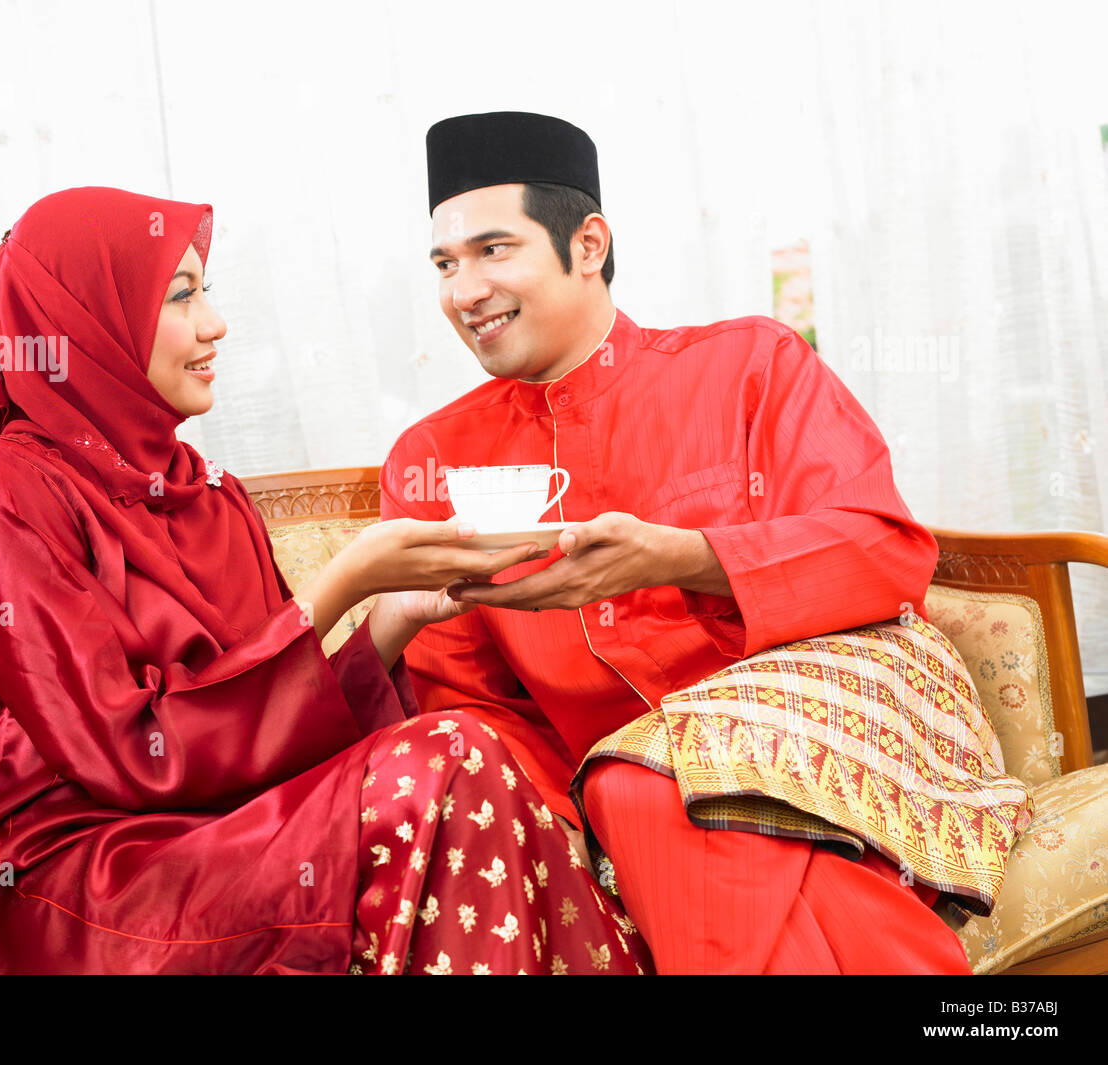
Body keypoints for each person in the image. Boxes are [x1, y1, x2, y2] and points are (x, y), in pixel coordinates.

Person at [0, 185, 651, 975]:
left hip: (227, 831)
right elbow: (127, 749)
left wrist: (396, 614)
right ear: (90, 319)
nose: (214, 324)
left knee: (471, 752)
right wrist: (344, 580)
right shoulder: (9, 490)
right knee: (449, 757)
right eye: (180, 295)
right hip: (76, 875)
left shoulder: (209, 491)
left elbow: (270, 733)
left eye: (206, 292)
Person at [377, 112, 1014, 974]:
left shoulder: (749, 365)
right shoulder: (432, 459)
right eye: (446, 264)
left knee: (653, 780)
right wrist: (572, 834)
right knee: (640, 788)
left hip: (826, 728)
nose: (463, 290)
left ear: (589, 243)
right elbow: (468, 701)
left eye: (495, 250)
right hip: (625, 803)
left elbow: (880, 552)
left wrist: (683, 558)